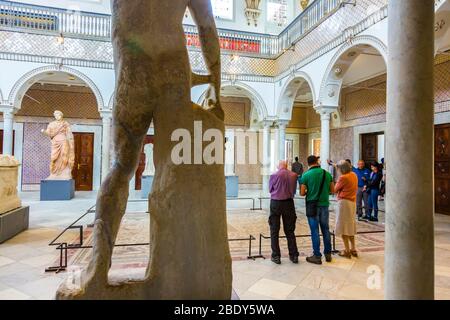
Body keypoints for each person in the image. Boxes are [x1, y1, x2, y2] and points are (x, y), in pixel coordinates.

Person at [300, 155, 334, 265]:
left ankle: (317, 255)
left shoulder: (306, 175)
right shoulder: (327, 174)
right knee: (325, 229)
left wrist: (309, 192)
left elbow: (301, 193)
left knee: (314, 230)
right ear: (317, 162)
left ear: (308, 163)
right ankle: (328, 254)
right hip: (324, 205)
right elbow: (332, 190)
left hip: (312, 206)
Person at [269, 160, 299, 264]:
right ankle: (294, 255)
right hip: (288, 203)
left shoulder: (274, 175)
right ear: (286, 166)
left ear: (279, 166)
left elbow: (270, 189)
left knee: (274, 230)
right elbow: (294, 190)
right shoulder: (294, 175)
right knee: (290, 230)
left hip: (276, 203)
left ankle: (276, 256)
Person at [334, 160, 359, 258]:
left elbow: (335, 189)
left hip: (344, 203)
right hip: (352, 202)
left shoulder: (343, 177)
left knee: (343, 226)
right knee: (350, 225)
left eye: (338, 169)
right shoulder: (354, 175)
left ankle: (347, 250)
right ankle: (353, 248)